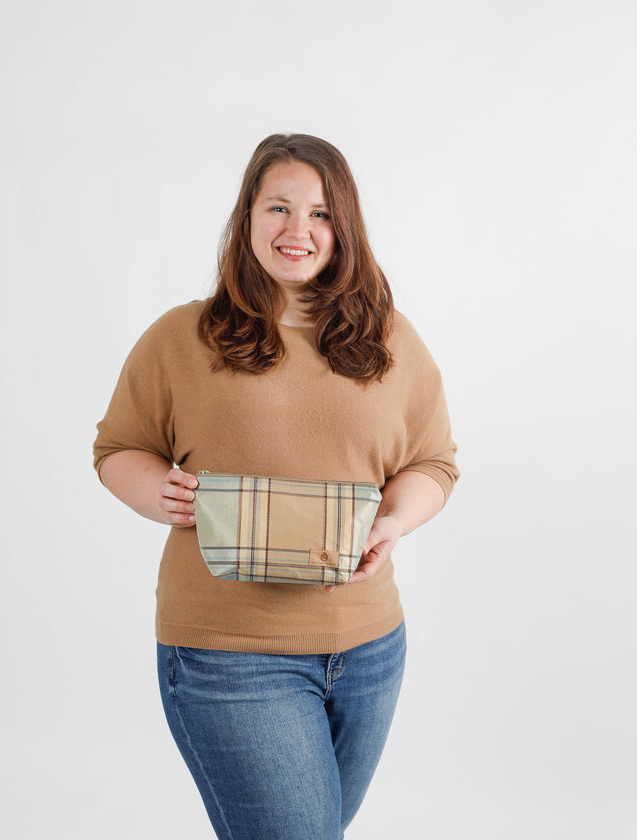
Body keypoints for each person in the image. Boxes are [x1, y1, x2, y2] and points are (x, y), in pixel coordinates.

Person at [93, 133, 459, 840]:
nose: (299, 229)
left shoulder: (389, 338)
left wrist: (394, 521)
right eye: (279, 208)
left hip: (370, 649)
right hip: (230, 655)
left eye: (320, 213)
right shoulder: (181, 337)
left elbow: (433, 462)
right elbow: (118, 448)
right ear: (248, 217)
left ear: (344, 227)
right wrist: (155, 490)